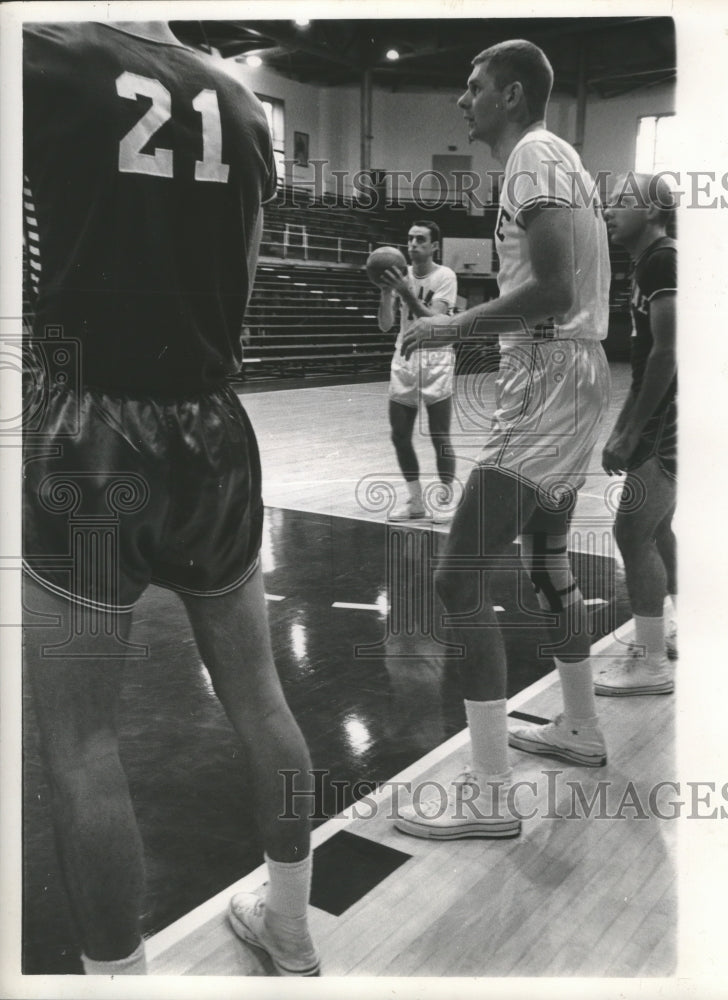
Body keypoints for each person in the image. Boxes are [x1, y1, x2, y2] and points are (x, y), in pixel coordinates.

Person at [22, 21, 319, 975]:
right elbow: (246, 257)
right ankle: (293, 931)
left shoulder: (43, 54)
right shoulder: (238, 97)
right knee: (262, 700)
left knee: (79, 744)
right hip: (215, 429)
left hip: (91, 432)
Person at [392, 39, 612, 840]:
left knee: (456, 582)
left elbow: (550, 287)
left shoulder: (529, 156)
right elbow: (554, 287)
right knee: (547, 560)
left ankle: (488, 798)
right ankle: (579, 726)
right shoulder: (560, 157)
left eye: (473, 85)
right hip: (574, 373)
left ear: (512, 94)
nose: (462, 99)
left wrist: (452, 325)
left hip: (549, 380)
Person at [596, 172, 678, 695]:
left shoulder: (663, 260)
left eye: (621, 201)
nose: (608, 209)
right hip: (665, 419)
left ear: (652, 211)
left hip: (671, 424)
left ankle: (651, 665)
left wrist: (637, 431)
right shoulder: (646, 263)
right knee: (660, 531)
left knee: (632, 532)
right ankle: (676, 633)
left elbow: (669, 352)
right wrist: (620, 429)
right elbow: (645, 363)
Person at [377, 221, 458, 521]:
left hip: (436, 358)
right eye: (410, 239)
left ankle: (446, 498)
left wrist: (406, 293)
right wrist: (386, 293)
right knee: (399, 435)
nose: (413, 244)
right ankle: (415, 501)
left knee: (440, 436)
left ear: (434, 245)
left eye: (420, 240)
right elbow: (385, 325)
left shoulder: (445, 276)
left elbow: (435, 320)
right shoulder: (401, 274)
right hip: (405, 357)